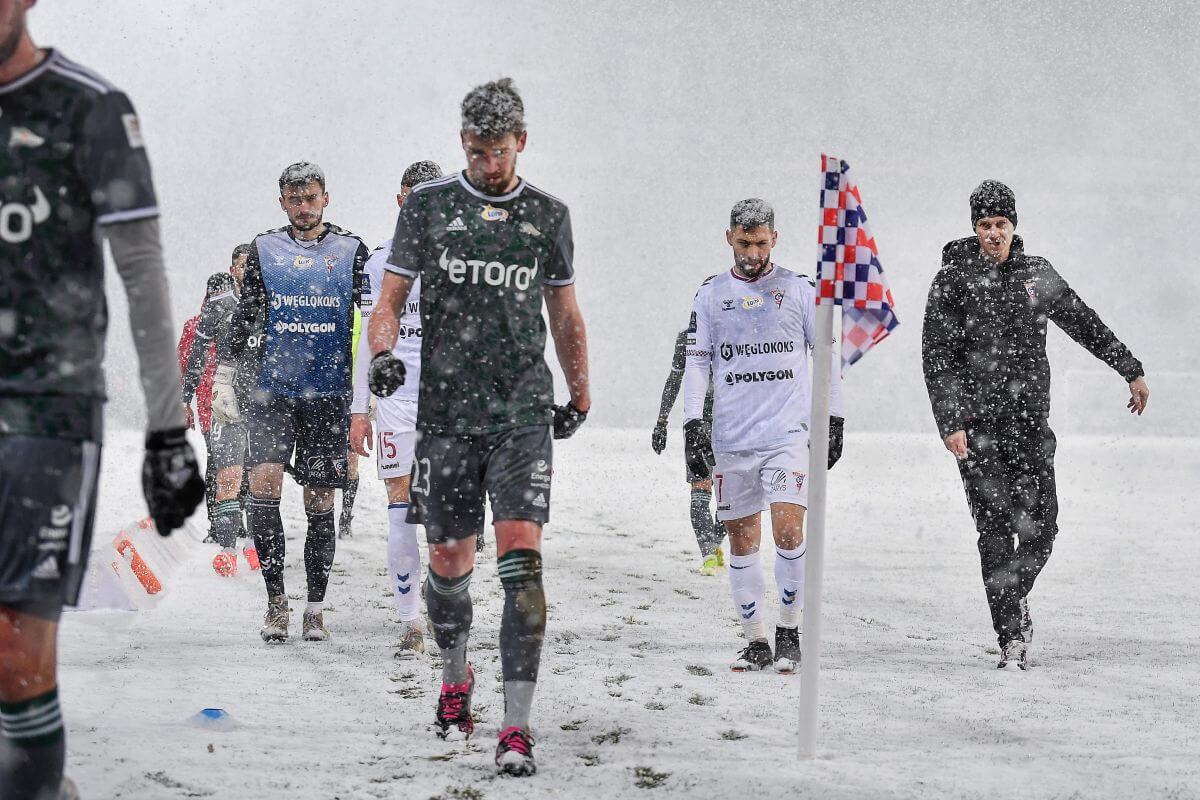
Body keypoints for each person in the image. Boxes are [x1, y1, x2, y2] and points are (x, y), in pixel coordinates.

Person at [0, 3, 205, 797]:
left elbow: (142, 271)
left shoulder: (90, 108)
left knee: (15, 644)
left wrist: (165, 430)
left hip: (47, 409)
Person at [367, 78, 589, 776]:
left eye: (499, 150)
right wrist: (379, 354)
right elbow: (389, 299)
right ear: (461, 143)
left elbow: (565, 315)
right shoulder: (431, 209)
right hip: (446, 415)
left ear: (521, 141)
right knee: (449, 562)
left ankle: (517, 728)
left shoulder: (548, 215)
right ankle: (454, 680)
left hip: (522, 413)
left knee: (522, 560)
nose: (489, 164)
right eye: (476, 150)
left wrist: (579, 395)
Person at [921, 180, 1150, 671]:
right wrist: (951, 421)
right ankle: (1011, 638)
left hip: (1028, 424)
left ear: (1014, 226)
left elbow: (1082, 322)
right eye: (984, 225)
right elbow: (937, 356)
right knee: (997, 533)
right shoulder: (952, 280)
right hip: (977, 429)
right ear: (974, 228)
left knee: (1043, 529)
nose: (992, 234)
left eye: (1000, 224)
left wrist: (1128, 367)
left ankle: (1013, 593)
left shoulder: (1035, 275)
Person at [683, 198, 843, 674]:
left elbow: (826, 352)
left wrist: (834, 418)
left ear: (774, 239)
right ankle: (755, 640)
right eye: (744, 242)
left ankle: (790, 632)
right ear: (729, 237)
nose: (752, 252)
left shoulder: (798, 290)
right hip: (732, 436)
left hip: (786, 434)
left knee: (790, 529)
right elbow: (697, 361)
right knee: (742, 540)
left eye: (760, 242)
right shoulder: (711, 294)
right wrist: (693, 424)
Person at [217, 162, 368, 642]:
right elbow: (247, 313)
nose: (304, 207)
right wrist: (223, 372)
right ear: (282, 201)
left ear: (327, 197)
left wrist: (372, 388)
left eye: (311, 197)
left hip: (328, 394)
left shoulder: (352, 250)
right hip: (273, 391)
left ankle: (316, 607)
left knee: (320, 498)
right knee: (263, 486)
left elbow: (372, 318)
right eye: (294, 199)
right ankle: (276, 601)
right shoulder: (265, 248)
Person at [351, 159, 443, 658]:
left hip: (450, 403)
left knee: (447, 516)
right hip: (396, 401)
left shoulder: (461, 257)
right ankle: (410, 621)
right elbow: (369, 336)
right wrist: (358, 409)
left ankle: (444, 602)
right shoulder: (378, 260)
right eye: (415, 195)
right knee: (401, 510)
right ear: (401, 198)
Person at [182, 246, 260, 577]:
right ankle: (228, 549)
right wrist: (185, 397)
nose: (247, 271)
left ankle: (256, 545)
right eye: (242, 266)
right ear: (233, 270)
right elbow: (197, 353)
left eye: (252, 265)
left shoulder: (273, 304)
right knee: (226, 473)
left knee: (260, 480)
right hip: (227, 402)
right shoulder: (218, 307)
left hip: (265, 405)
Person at [652, 324, 726, 574]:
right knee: (710, 491)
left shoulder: (735, 330)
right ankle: (709, 554)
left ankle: (712, 547)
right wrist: (661, 422)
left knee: (728, 495)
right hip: (702, 424)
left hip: (725, 422)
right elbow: (674, 379)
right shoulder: (688, 337)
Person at [178, 282, 220, 536]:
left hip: (239, 404)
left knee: (239, 464)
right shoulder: (195, 326)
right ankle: (218, 523)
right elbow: (185, 367)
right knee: (217, 460)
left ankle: (230, 522)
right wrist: (185, 403)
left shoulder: (244, 318)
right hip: (209, 407)